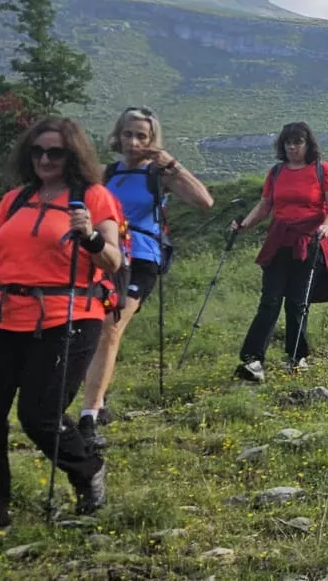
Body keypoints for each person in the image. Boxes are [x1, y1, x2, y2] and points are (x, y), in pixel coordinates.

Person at [0, 117, 126, 535]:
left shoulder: (94, 197)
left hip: (67, 317)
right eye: (37, 151)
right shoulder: (14, 201)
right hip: (1, 318)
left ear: (72, 155)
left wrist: (89, 236)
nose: (44, 159)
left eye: (55, 152)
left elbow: (113, 260)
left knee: (39, 416)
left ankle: (87, 469)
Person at [76, 107, 214, 453]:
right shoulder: (107, 174)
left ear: (152, 140)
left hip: (141, 258)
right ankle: (99, 397)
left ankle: (88, 415)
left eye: (142, 135)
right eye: (128, 134)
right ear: (118, 136)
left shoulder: (158, 173)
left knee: (110, 326)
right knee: (88, 328)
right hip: (102, 255)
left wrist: (171, 164)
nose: (134, 142)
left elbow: (204, 201)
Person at [229, 122, 328, 382]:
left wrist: (326, 225)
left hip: (309, 240)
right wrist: (244, 225)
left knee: (297, 302)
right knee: (269, 301)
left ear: (307, 144)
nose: (292, 147)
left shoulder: (321, 169)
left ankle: (296, 357)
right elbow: (265, 205)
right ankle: (253, 360)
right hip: (279, 240)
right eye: (288, 142)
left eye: (298, 142)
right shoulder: (277, 172)